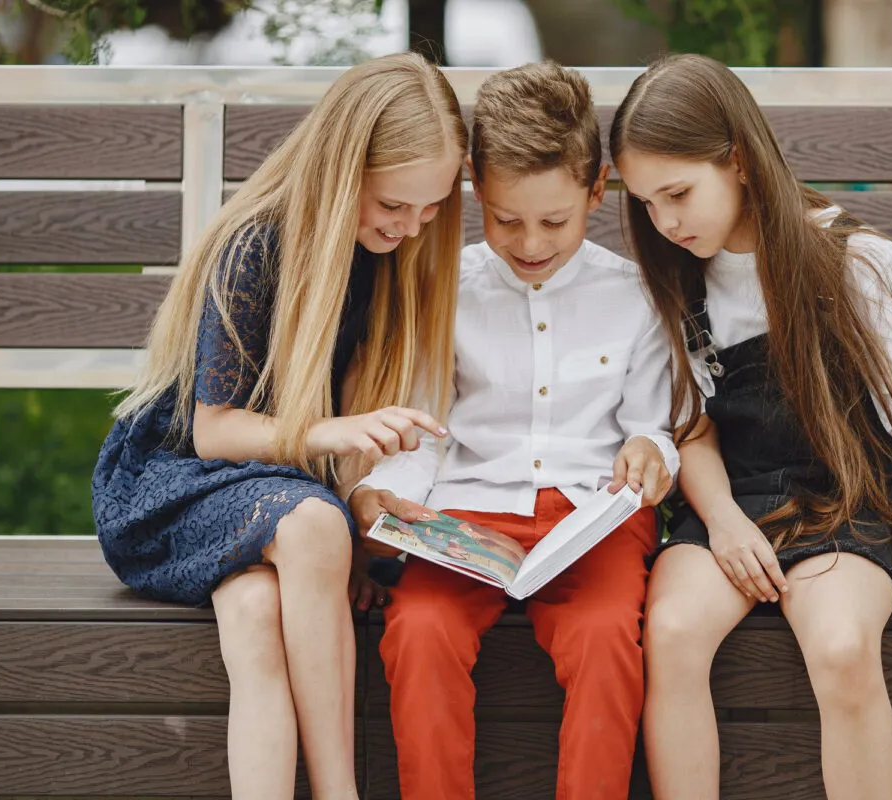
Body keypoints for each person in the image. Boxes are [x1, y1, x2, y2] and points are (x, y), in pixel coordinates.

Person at [608, 53, 892, 800]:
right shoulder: (672, 277)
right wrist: (725, 522)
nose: (664, 221)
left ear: (736, 158)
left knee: (838, 644)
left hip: (846, 503)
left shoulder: (857, 261)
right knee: (668, 633)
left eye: (678, 194)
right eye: (645, 203)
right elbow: (690, 427)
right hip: (731, 501)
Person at [91, 53, 466, 800]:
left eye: (430, 209)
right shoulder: (258, 244)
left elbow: (345, 424)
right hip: (173, 485)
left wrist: (359, 528)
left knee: (260, 611)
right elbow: (214, 432)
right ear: (343, 168)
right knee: (314, 529)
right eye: (395, 203)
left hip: (278, 498)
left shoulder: (382, 255)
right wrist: (327, 434)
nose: (412, 226)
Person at [351, 61, 678, 800]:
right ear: (474, 188)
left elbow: (652, 426)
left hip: (589, 520)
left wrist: (649, 452)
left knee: (606, 643)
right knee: (419, 631)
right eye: (506, 219)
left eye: (554, 221)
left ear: (597, 190)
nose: (530, 242)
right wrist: (380, 497)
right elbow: (424, 428)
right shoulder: (446, 290)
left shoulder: (634, 297)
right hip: (465, 515)